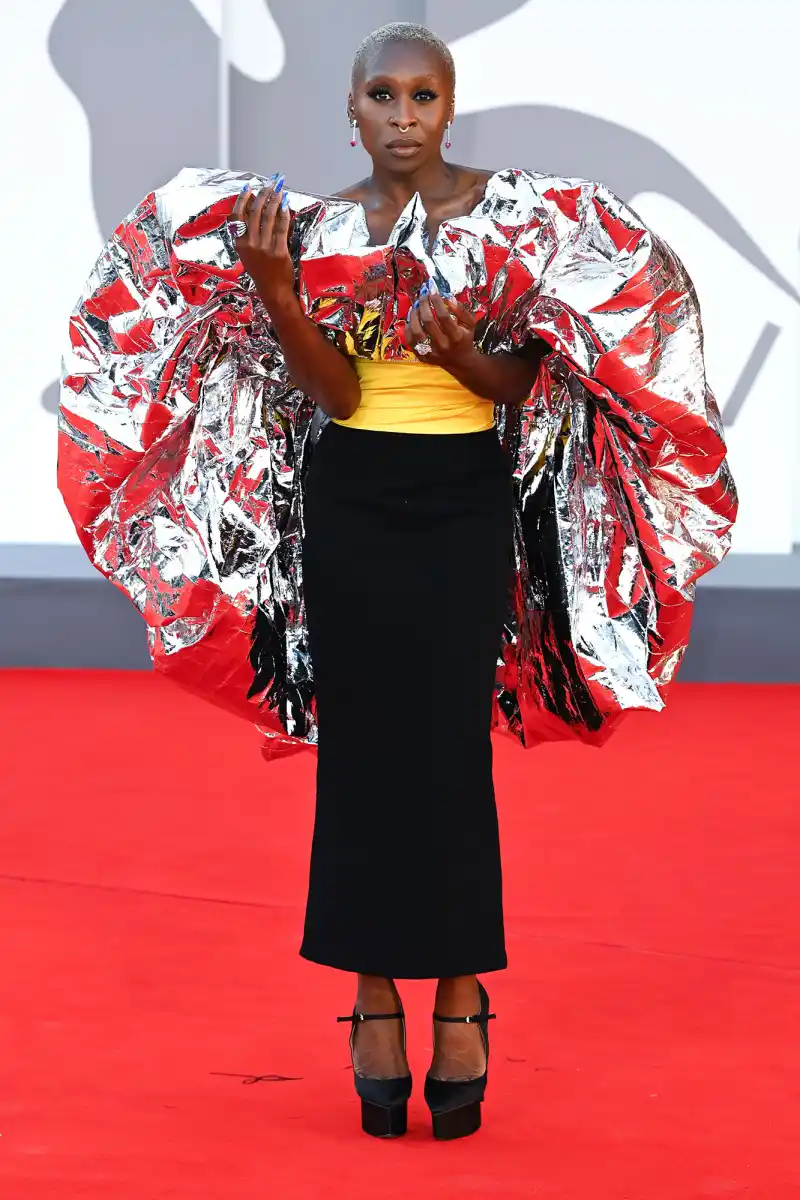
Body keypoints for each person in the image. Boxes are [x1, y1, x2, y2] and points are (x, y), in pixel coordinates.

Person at [58, 23, 736, 1144]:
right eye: (383, 94)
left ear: (449, 104)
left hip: (463, 502)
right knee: (365, 753)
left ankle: (463, 991)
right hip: (353, 505)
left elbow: (527, 378)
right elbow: (329, 396)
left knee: (445, 753)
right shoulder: (315, 230)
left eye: (424, 95)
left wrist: (465, 353)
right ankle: (372, 993)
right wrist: (278, 292)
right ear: (352, 110)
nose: (404, 115)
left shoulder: (520, 221)